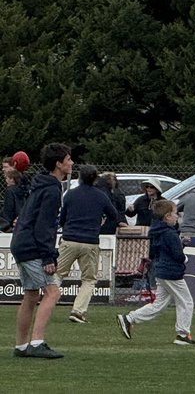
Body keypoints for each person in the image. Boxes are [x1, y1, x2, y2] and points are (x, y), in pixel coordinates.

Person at [11, 142, 73, 360]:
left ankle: (21, 346)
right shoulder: (52, 189)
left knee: (30, 295)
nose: (71, 163)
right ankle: (37, 342)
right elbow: (44, 225)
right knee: (52, 292)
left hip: (20, 243)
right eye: (68, 160)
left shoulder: (41, 183)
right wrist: (48, 256)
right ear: (58, 164)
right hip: (32, 246)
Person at [118, 199, 195, 346]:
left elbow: (154, 252)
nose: (177, 216)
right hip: (172, 273)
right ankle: (182, 334)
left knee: (159, 304)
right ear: (167, 216)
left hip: (161, 271)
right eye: (175, 213)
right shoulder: (170, 234)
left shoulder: (157, 232)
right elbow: (178, 255)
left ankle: (130, 318)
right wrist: (184, 255)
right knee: (186, 301)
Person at [57, 164, 120, 324]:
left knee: (57, 275)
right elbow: (114, 215)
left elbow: (62, 218)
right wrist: (100, 221)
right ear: (95, 178)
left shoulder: (70, 195)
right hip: (90, 241)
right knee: (89, 279)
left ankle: (46, 304)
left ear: (79, 178)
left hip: (70, 239)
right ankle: (78, 311)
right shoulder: (100, 196)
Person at [1, 165, 29, 233]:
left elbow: (9, 209)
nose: (6, 180)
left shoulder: (10, 191)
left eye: (7, 178)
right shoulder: (24, 190)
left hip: (10, 222)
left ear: (12, 179)